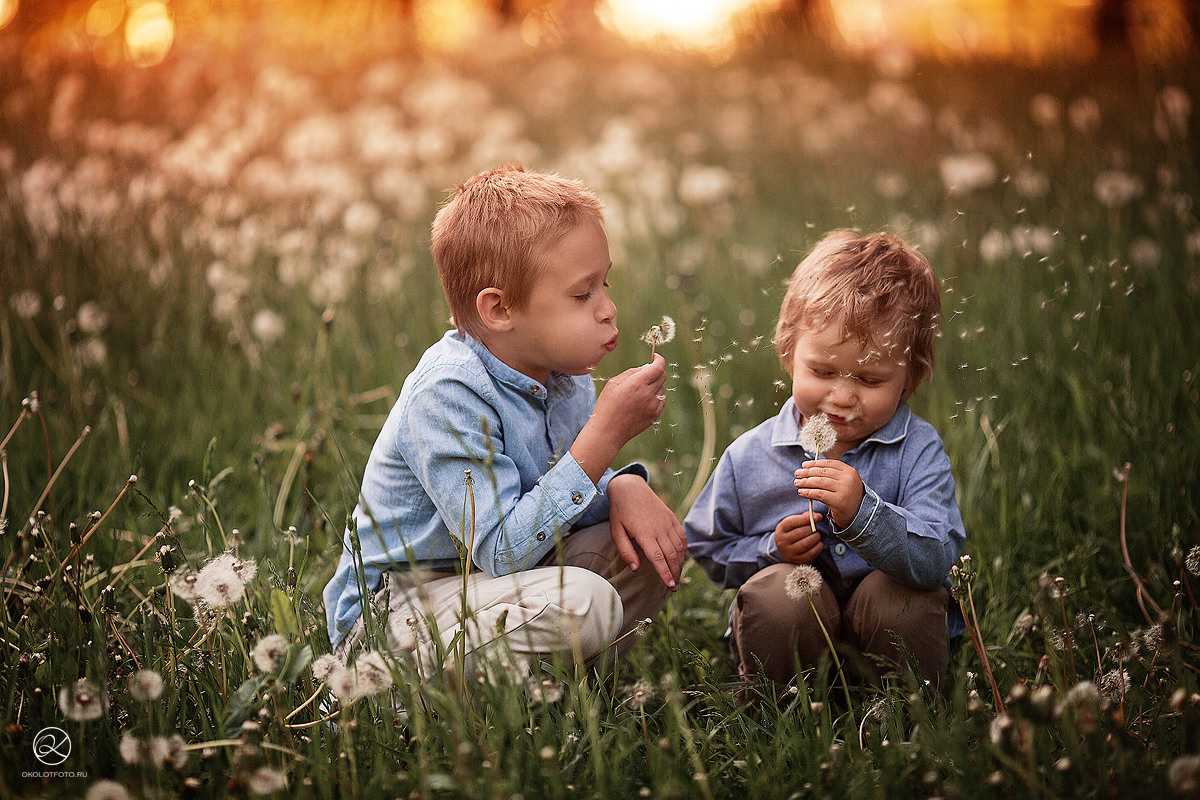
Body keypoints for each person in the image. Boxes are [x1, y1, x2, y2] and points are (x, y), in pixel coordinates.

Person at [323, 166, 686, 679]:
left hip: (490, 589)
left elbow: (553, 490)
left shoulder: (562, 373)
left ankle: (546, 699)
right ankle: (397, 695)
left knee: (644, 553)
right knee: (584, 605)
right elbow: (502, 549)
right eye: (583, 295)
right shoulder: (449, 393)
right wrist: (606, 434)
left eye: (605, 284)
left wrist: (622, 485)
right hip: (400, 614)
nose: (609, 309)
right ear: (498, 310)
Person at [685, 230, 965, 690]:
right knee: (782, 596)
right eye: (822, 371)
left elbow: (939, 558)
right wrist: (770, 550)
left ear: (909, 378)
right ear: (789, 353)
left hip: (886, 629)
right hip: (791, 634)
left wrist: (865, 515)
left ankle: (903, 712)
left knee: (903, 599)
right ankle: (781, 711)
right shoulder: (751, 455)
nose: (841, 396)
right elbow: (708, 546)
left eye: (870, 379)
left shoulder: (918, 451)